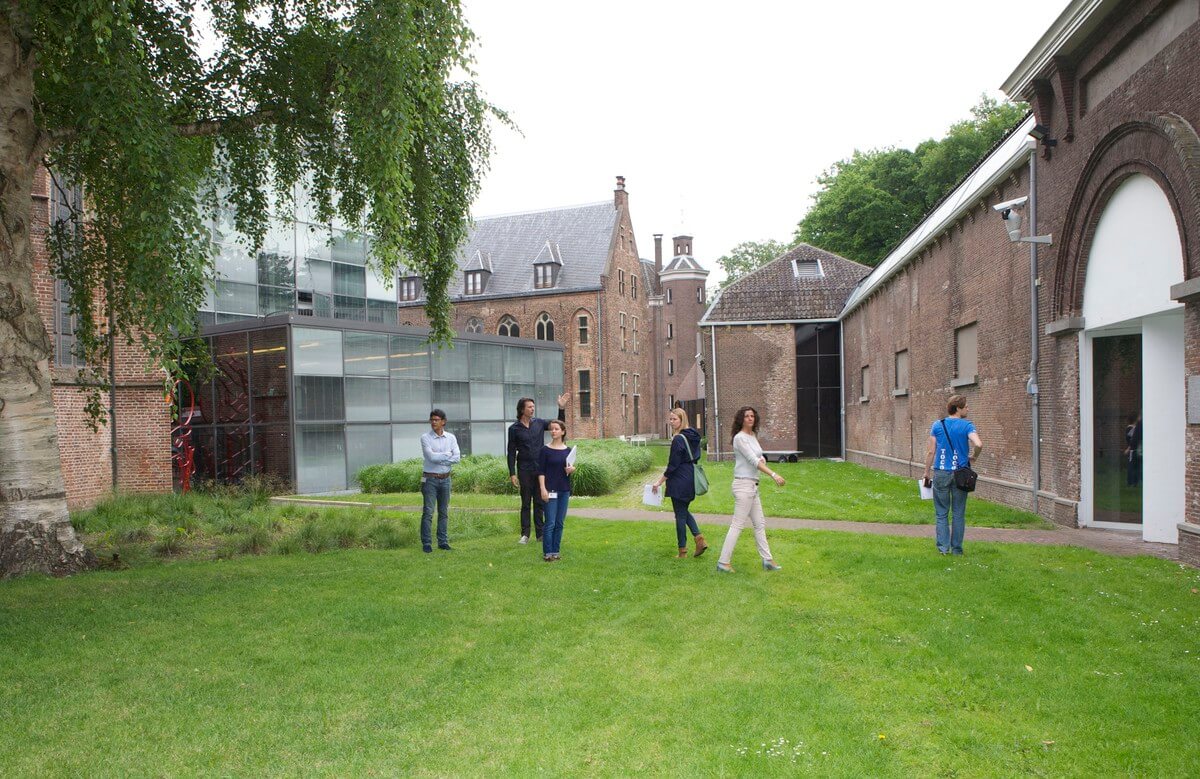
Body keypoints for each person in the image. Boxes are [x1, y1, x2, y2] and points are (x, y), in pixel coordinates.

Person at [716, 406, 785, 573]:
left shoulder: (752, 435)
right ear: (741, 419)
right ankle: (723, 562)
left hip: (753, 486)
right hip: (743, 486)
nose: (750, 418)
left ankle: (767, 560)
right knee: (737, 525)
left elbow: (757, 457)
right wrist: (774, 474)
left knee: (760, 524)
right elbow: (753, 461)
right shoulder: (740, 438)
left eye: (752, 416)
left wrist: (762, 458)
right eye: (746, 416)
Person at [922, 394, 984, 556]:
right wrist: (974, 456)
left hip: (941, 473)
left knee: (941, 513)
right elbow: (978, 443)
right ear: (958, 409)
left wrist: (927, 472)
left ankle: (943, 549)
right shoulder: (967, 426)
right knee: (958, 513)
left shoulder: (937, 425)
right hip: (960, 474)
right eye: (966, 407)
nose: (968, 409)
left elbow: (931, 451)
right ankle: (957, 549)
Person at [507, 393, 570, 544]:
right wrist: (512, 473)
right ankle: (525, 534)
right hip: (524, 468)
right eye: (529, 407)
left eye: (533, 406)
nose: (532, 409)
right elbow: (510, 452)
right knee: (526, 502)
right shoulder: (514, 429)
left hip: (541, 468)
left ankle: (540, 534)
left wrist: (561, 408)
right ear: (522, 410)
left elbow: (559, 425)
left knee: (540, 501)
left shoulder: (539, 423)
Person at [653, 407, 708, 558]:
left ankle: (682, 551)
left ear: (682, 420)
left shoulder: (678, 439)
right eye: (670, 419)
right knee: (683, 510)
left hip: (679, 479)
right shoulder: (694, 435)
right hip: (690, 476)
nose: (671, 422)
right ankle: (699, 540)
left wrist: (660, 481)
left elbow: (673, 465)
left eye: (674, 419)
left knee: (680, 515)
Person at [419, 409, 461, 553]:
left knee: (443, 512)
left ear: (443, 421)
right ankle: (427, 543)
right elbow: (431, 457)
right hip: (430, 479)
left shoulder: (451, 438)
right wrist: (447, 455)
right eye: (431, 420)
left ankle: (443, 542)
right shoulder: (425, 438)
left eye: (436, 420)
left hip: (446, 479)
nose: (433, 422)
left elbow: (457, 458)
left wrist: (441, 457)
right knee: (428, 512)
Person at [536, 419, 575, 562]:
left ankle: (555, 551)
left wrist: (572, 469)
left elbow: (569, 468)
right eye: (551, 429)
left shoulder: (568, 451)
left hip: (564, 490)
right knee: (550, 523)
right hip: (550, 490)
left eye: (556, 429)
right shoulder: (545, 450)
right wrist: (542, 489)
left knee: (559, 523)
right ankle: (547, 553)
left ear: (563, 432)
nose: (553, 431)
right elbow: (541, 472)